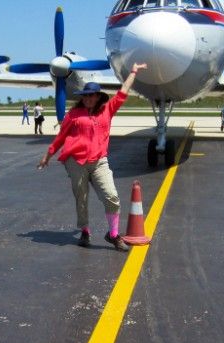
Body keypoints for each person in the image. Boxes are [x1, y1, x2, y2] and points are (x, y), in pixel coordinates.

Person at [37, 63, 148, 252]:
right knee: (81, 198)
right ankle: (85, 231)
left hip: (99, 162)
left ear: (98, 97)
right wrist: (47, 156)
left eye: (92, 95)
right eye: (86, 96)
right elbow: (60, 138)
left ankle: (113, 234)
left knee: (111, 196)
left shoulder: (107, 110)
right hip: (76, 162)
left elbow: (123, 92)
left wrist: (133, 72)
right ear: (82, 98)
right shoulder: (73, 114)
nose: (89, 98)